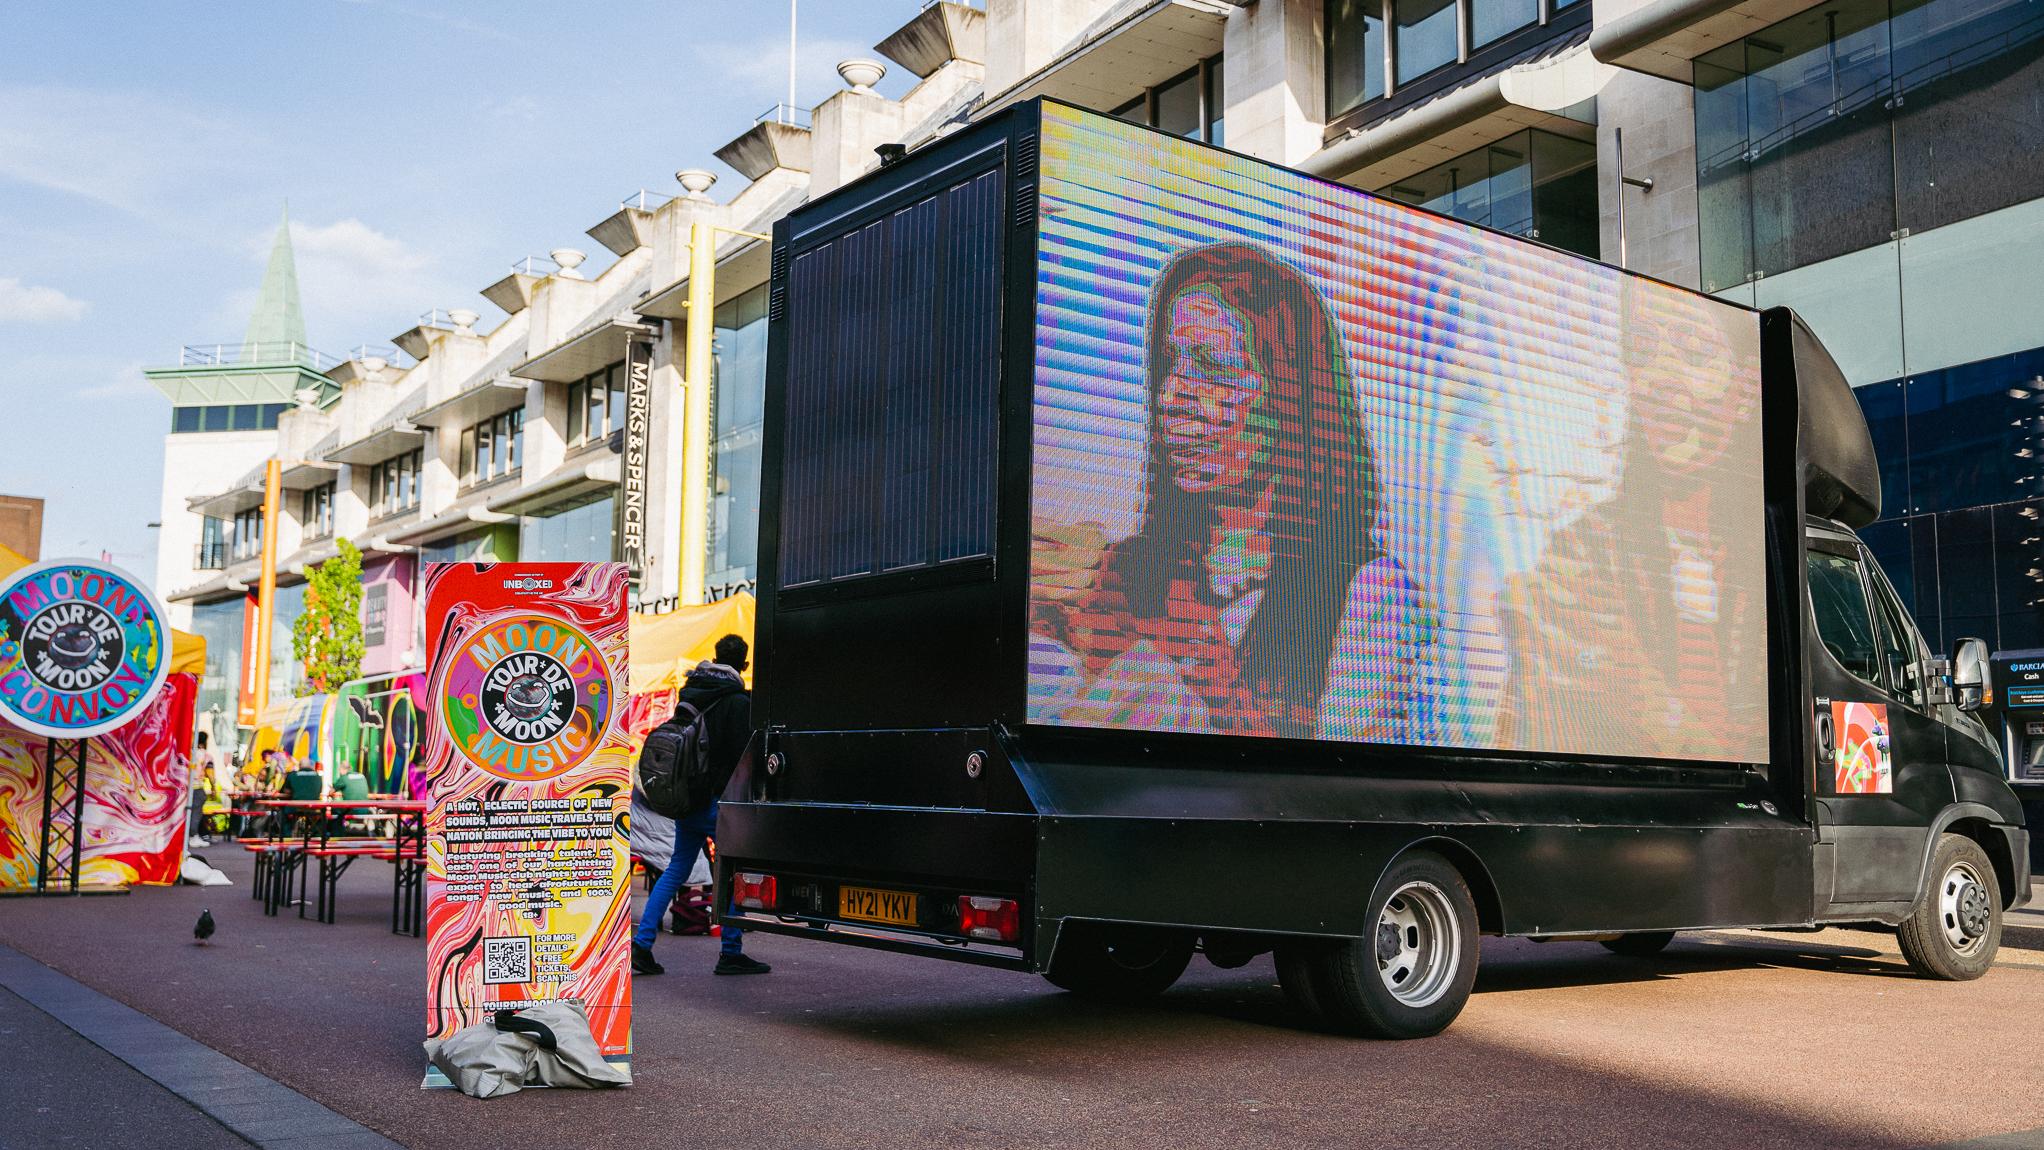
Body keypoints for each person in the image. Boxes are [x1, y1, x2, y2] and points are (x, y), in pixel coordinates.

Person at [1030, 241, 1434, 741]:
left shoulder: (1367, 596)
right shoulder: (1126, 577)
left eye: (1214, 367)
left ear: (1289, 397)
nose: (1171, 398)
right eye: (1168, 363)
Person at [631, 633, 768, 976]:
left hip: (687, 799)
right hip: (716, 803)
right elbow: (743, 758)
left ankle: (642, 944)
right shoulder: (738, 702)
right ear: (745, 665)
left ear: (716, 656)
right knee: (733, 870)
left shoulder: (690, 694)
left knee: (676, 869)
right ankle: (731, 951)